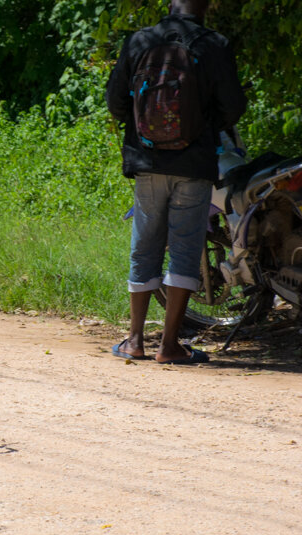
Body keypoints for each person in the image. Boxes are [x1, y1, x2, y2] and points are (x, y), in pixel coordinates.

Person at [105, 0, 246, 364]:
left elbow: (115, 101)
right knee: (184, 249)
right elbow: (233, 107)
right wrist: (201, 126)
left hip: (147, 160)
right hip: (195, 163)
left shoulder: (140, 40)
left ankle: (135, 341)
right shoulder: (214, 44)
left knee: (145, 244)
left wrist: (143, 130)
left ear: (169, 5)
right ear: (205, 7)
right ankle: (169, 346)